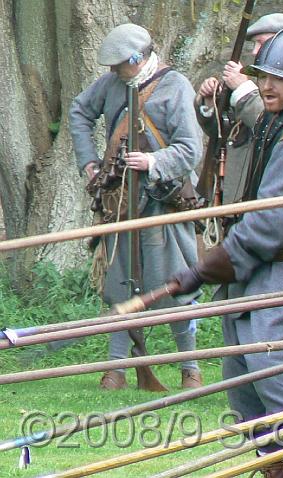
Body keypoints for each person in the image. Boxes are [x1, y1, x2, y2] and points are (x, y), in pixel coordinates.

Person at [172, 29, 283, 477]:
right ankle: (275, 465)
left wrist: (207, 267)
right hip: (250, 268)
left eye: (279, 80)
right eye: (263, 77)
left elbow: (269, 224)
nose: (268, 86)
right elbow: (221, 132)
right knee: (241, 379)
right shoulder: (269, 120)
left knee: (271, 366)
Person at [69, 23, 204, 390]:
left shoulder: (175, 87)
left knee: (177, 285)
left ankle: (189, 368)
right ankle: (116, 368)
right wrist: (89, 162)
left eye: (119, 65)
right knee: (119, 286)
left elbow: (192, 149)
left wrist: (155, 161)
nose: (112, 72)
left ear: (137, 58)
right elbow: (79, 112)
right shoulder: (112, 86)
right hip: (119, 203)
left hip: (163, 203)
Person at [195, 13, 283, 208]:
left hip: (271, 195)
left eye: (261, 42)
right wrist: (210, 104)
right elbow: (224, 133)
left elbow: (277, 125)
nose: (255, 51)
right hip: (237, 190)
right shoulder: (256, 80)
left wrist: (243, 91)